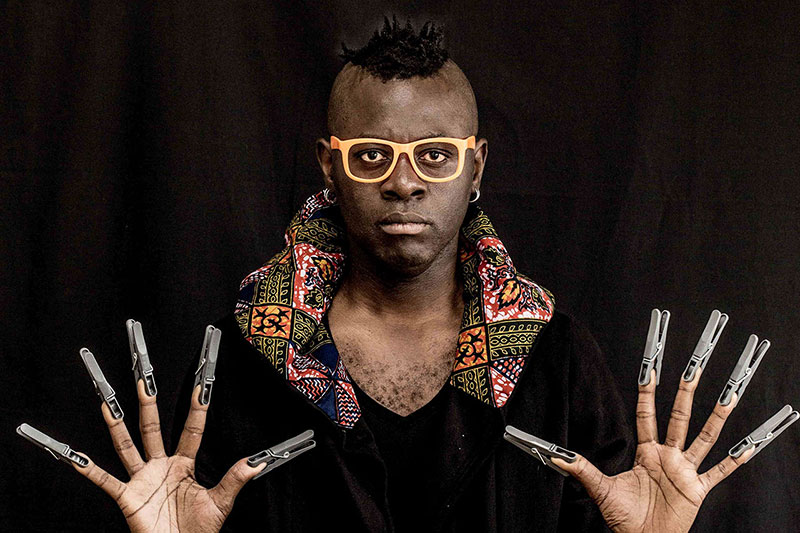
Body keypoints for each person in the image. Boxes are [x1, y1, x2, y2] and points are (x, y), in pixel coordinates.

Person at [21, 17, 788, 532]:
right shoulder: (243, 356)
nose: (404, 182)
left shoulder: (558, 359)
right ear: (330, 166)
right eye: (371, 155)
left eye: (435, 155)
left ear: (474, 166)